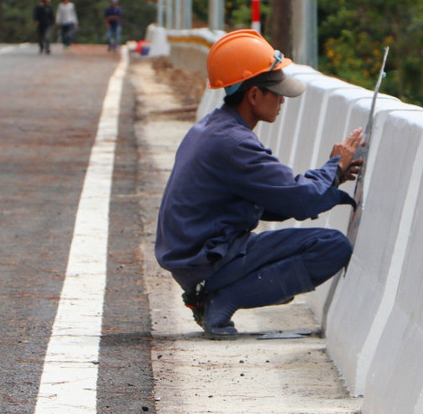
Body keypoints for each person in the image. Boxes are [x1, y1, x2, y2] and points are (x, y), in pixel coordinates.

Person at [155, 29, 363, 338]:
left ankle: (213, 294)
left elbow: (271, 200)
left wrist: (331, 179)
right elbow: (299, 200)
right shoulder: (234, 143)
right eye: (276, 91)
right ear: (253, 95)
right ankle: (223, 298)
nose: (282, 100)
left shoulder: (212, 129)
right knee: (331, 248)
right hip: (207, 258)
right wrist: (332, 167)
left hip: (194, 257)